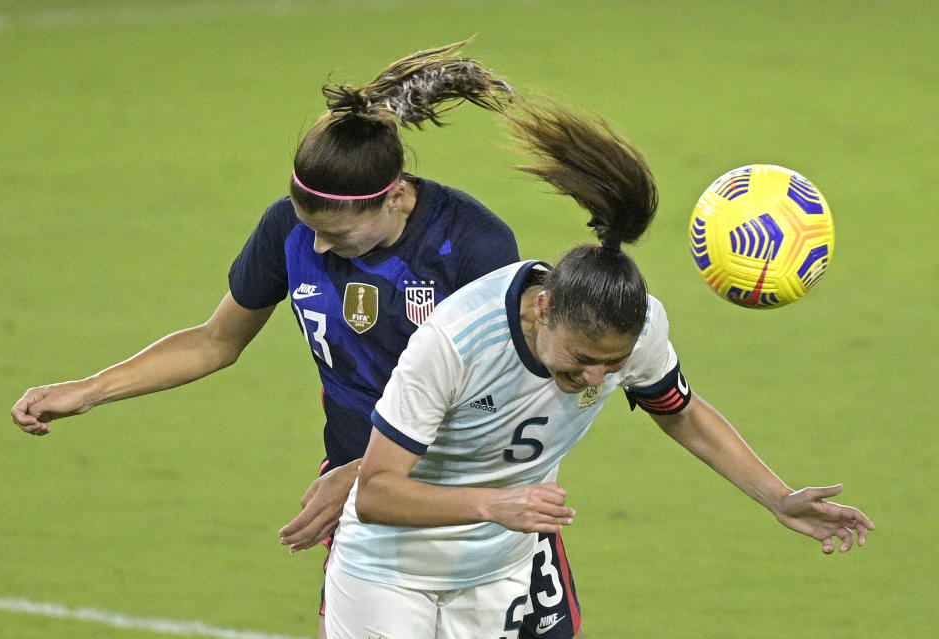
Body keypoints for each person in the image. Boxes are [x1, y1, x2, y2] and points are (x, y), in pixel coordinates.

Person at [9, 42, 589, 639]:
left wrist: (362, 475)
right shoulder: (288, 231)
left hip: (481, 503)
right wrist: (88, 390)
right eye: (308, 227)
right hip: (372, 505)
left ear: (394, 197)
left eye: (335, 234)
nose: (314, 249)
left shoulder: (471, 247)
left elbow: (496, 401)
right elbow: (215, 341)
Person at [323, 102, 875, 639]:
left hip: (495, 571)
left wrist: (778, 498)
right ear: (543, 309)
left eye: (613, 366)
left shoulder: (638, 327)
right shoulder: (456, 340)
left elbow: (682, 415)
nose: (594, 379)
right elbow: (374, 493)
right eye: (583, 360)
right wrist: (494, 503)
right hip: (389, 574)